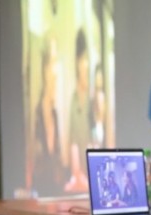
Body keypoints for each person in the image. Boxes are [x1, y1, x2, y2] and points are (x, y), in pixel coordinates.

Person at [30, 35, 68, 197]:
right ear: (44, 69)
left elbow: (59, 164)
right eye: (53, 62)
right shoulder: (36, 115)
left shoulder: (54, 114)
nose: (56, 71)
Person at [66, 29, 93, 192]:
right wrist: (78, 174)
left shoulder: (93, 99)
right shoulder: (73, 99)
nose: (85, 65)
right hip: (80, 182)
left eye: (87, 60)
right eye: (82, 60)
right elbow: (73, 142)